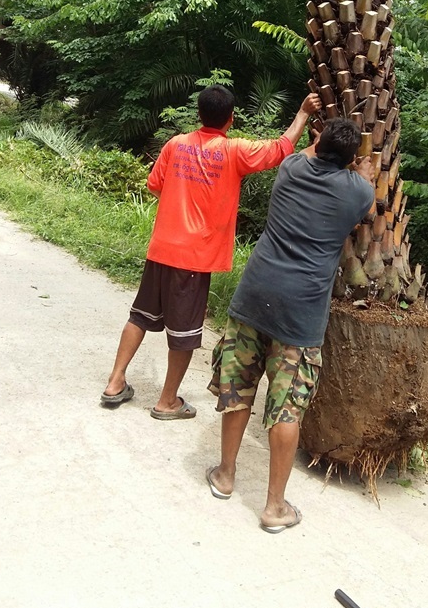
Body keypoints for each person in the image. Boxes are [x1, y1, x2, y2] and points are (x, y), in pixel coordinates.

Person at [101, 85, 321, 418]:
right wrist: (303, 112)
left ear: (199, 114)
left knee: (140, 316)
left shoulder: (175, 144)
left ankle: (115, 382)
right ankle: (167, 402)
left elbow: (155, 185)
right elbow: (281, 149)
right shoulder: (234, 151)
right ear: (230, 119)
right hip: (194, 258)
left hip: (161, 248)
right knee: (185, 333)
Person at [206, 117, 375, 531]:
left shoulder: (291, 168)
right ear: (351, 160)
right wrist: (364, 171)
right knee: (286, 409)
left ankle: (226, 475)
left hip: (254, 298)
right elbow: (364, 210)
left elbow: (306, 150)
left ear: (318, 144)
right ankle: (274, 507)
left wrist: (312, 131)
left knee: (238, 387)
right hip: (299, 316)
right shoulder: (359, 190)